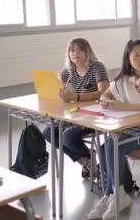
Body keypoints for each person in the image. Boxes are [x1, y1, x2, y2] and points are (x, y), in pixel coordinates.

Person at [88, 39, 140, 219]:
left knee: (116, 143)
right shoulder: (123, 80)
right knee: (106, 146)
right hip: (135, 128)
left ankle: (116, 194)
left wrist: (124, 106)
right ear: (128, 58)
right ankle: (114, 194)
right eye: (137, 55)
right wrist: (106, 100)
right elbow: (106, 93)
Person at [42, 38, 109, 179]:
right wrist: (53, 91)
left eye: (79, 50)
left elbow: (104, 92)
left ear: (87, 52)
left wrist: (76, 97)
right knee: (49, 131)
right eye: (72, 50)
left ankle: (89, 159)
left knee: (67, 135)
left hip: (95, 116)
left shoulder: (97, 67)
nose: (75, 53)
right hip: (77, 114)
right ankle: (87, 161)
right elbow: (56, 86)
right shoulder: (69, 70)